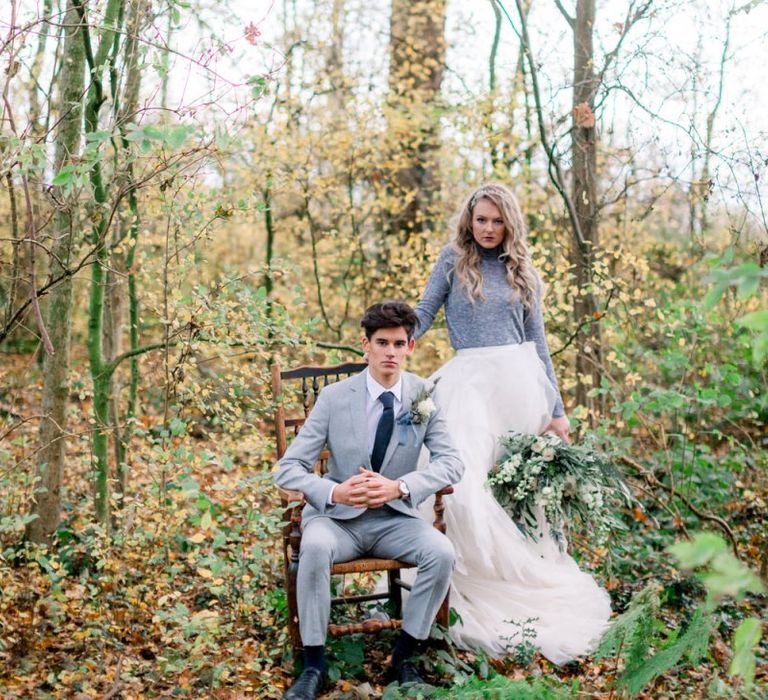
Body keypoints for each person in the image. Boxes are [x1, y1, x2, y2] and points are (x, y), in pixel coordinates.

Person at [411, 182, 612, 664]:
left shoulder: (523, 270)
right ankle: (455, 584)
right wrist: (392, 340)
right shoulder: (451, 260)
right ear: (469, 219)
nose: (488, 229)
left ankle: (518, 585)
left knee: (509, 490)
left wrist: (557, 410)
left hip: (519, 388)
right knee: (461, 484)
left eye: (497, 221)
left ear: (510, 224)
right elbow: (422, 313)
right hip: (469, 384)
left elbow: (538, 342)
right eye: (481, 219)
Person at [275, 301, 464, 699]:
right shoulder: (334, 397)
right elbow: (287, 469)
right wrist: (333, 491)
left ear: (411, 345)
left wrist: (402, 487)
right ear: (366, 345)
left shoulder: (423, 395)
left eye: (399, 343)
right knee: (314, 545)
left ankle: (405, 656)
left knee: (442, 552)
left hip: (395, 520)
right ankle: (313, 666)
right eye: (382, 343)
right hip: (337, 520)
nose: (391, 352)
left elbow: (452, 464)